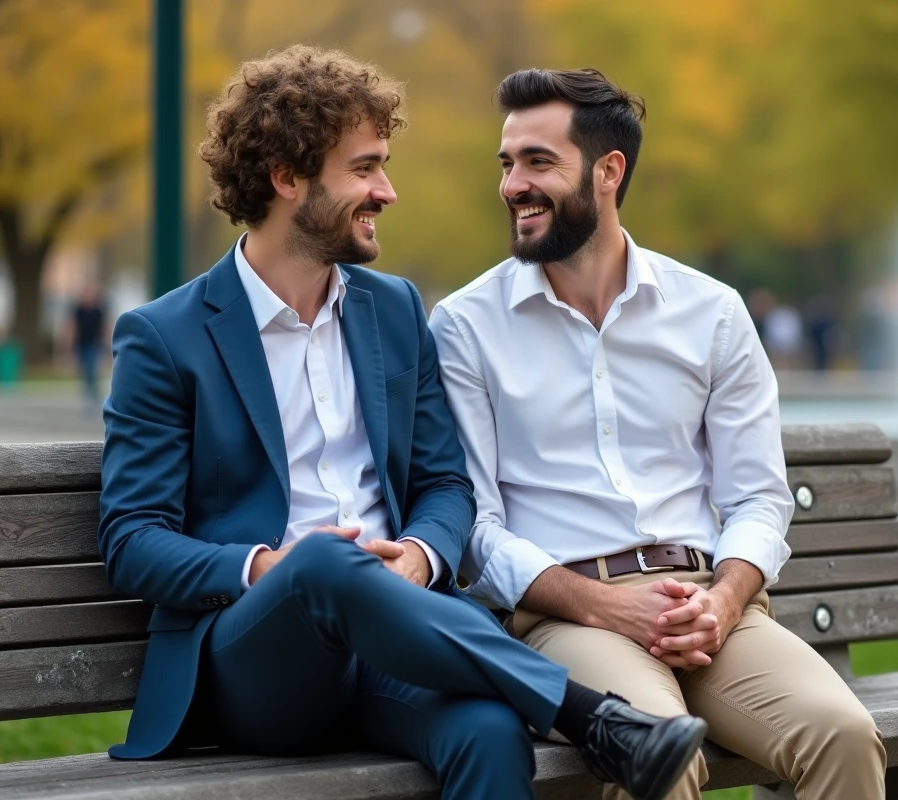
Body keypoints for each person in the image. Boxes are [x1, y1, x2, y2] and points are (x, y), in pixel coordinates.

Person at [97, 46, 706, 800]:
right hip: (257, 656)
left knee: (486, 732)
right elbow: (132, 538)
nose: (386, 190)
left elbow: (443, 481)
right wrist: (267, 566)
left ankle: (593, 721)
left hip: (398, 643)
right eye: (364, 168)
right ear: (287, 179)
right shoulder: (166, 336)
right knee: (320, 564)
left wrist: (419, 555)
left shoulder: (393, 311)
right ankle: (592, 717)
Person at [430, 68, 887, 799]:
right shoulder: (465, 327)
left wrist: (725, 602)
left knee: (845, 736)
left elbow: (759, 499)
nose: (514, 183)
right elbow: (475, 528)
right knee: (656, 760)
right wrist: (604, 605)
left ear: (608, 171)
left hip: (708, 607)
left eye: (539, 162)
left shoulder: (710, 311)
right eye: (508, 163)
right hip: (567, 618)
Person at [69, 282, 106, 409]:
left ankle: (93, 396)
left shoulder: (98, 311)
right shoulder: (79, 310)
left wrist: (106, 342)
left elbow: (103, 327)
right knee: (84, 370)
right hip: (82, 344)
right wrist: (70, 342)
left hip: (94, 344)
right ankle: (88, 395)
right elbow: (75, 327)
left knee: (91, 369)